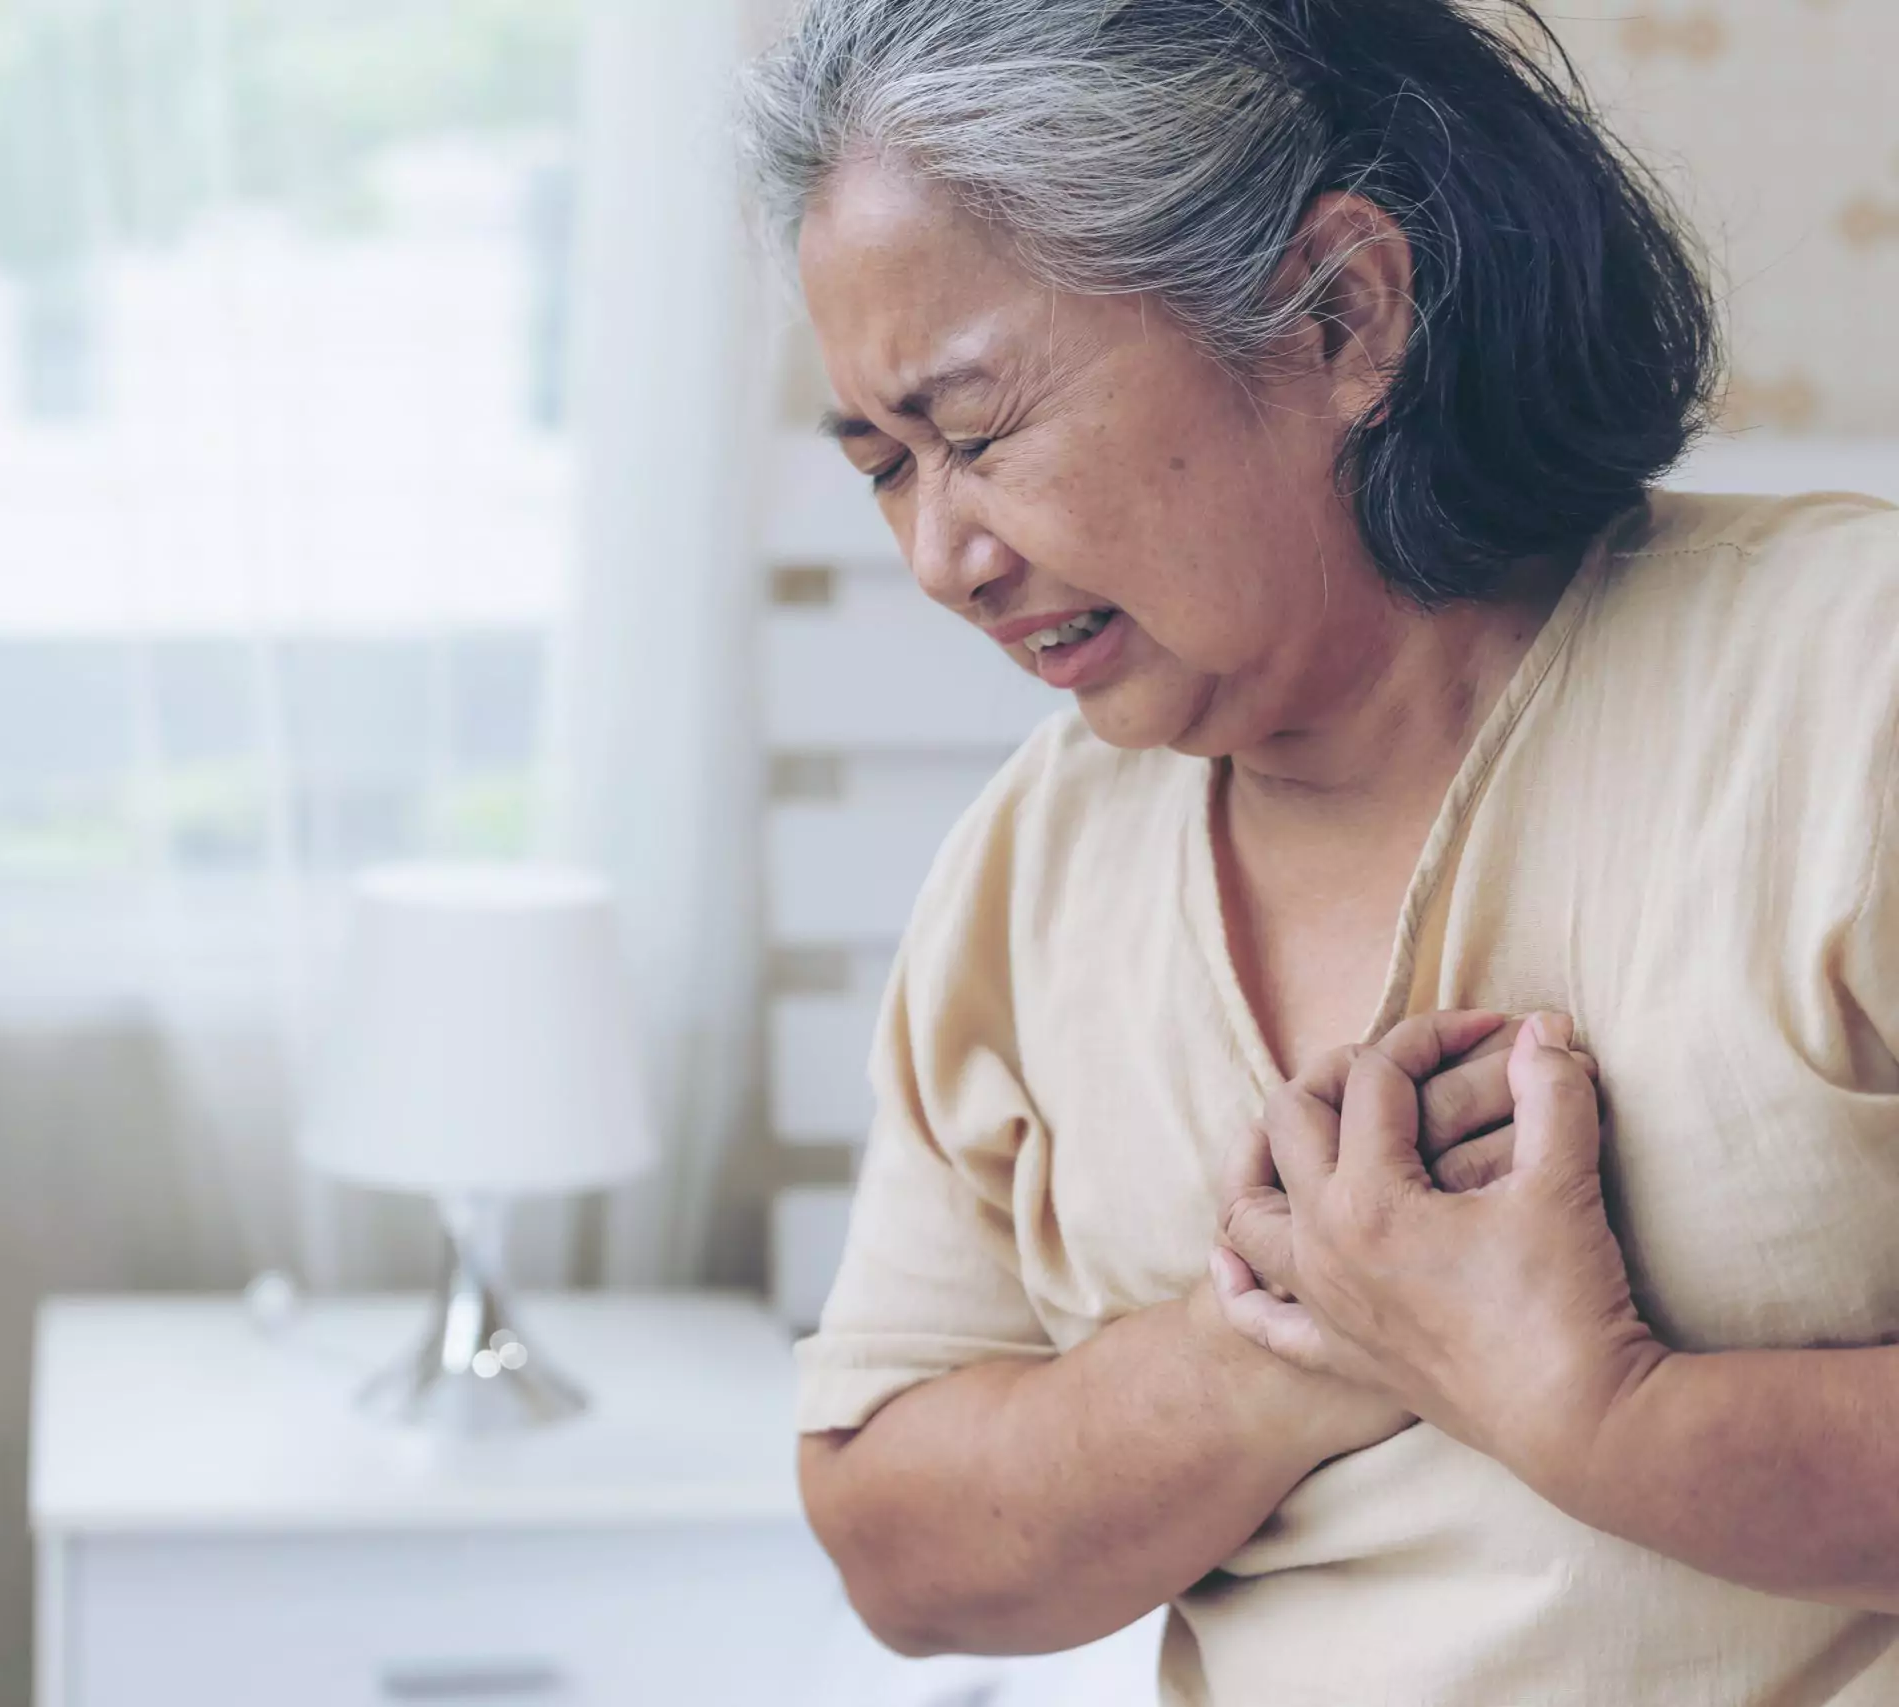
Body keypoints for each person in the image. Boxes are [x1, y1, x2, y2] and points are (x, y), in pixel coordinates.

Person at [736, 2, 1899, 1703]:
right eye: (883, 468)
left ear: (1341, 315)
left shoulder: (1851, 687)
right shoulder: (1030, 863)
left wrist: (1604, 1409)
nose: (939, 554)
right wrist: (1283, 1333)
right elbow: (898, 1545)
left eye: (977, 434)